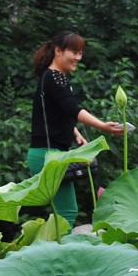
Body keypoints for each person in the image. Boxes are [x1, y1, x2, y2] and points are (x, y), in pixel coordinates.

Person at [29, 31, 124, 229]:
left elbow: (58, 113)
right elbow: (72, 108)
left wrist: (76, 133)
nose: (78, 58)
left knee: (64, 211)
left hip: (51, 154)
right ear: (58, 51)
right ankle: (58, 258)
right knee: (67, 212)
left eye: (81, 53)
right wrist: (102, 126)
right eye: (74, 52)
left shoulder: (53, 77)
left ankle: (54, 253)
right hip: (48, 155)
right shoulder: (55, 77)